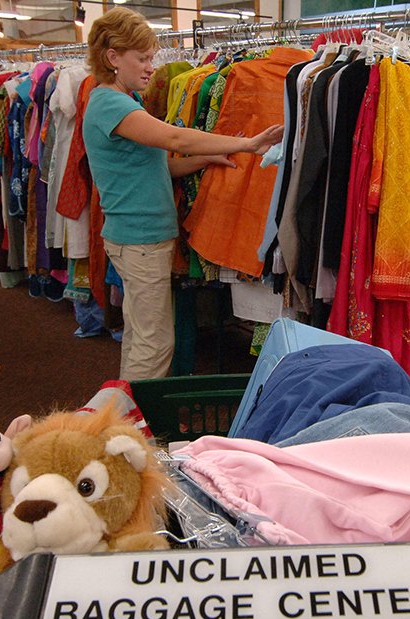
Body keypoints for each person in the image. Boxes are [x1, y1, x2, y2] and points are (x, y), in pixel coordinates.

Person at [83, 8, 283, 380]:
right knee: (155, 344)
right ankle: (133, 426)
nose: (150, 67)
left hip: (139, 239)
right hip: (139, 240)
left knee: (143, 337)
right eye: (141, 58)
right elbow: (174, 138)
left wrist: (205, 158)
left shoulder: (122, 101)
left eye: (150, 58)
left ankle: (124, 417)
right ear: (112, 57)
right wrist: (249, 143)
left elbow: (157, 167)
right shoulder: (112, 104)